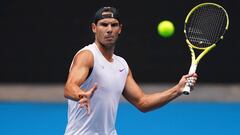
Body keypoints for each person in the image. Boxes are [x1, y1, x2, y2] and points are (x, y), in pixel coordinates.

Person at [64, 6, 198, 135]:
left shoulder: (122, 65)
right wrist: (82, 95)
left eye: (114, 25)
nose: (109, 29)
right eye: (104, 25)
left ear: (120, 29)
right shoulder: (87, 56)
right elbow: (69, 87)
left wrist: (177, 89)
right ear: (94, 28)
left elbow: (143, 102)